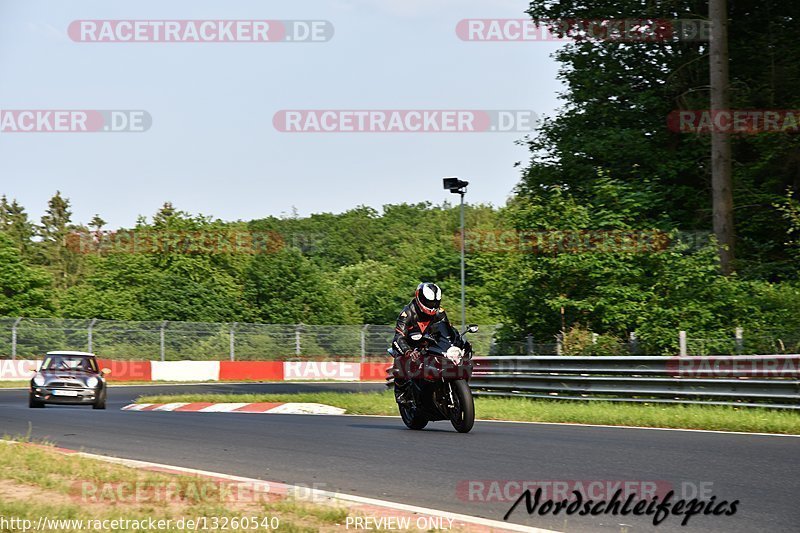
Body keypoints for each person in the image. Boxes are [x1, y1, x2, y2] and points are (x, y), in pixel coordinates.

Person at [391, 282, 454, 403]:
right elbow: (398, 337)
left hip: (430, 344)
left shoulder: (439, 312)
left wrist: (456, 342)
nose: (432, 305)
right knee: (401, 361)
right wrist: (408, 351)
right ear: (419, 297)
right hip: (410, 346)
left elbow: (448, 331)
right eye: (429, 302)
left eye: (435, 302)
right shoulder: (407, 313)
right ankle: (401, 393)